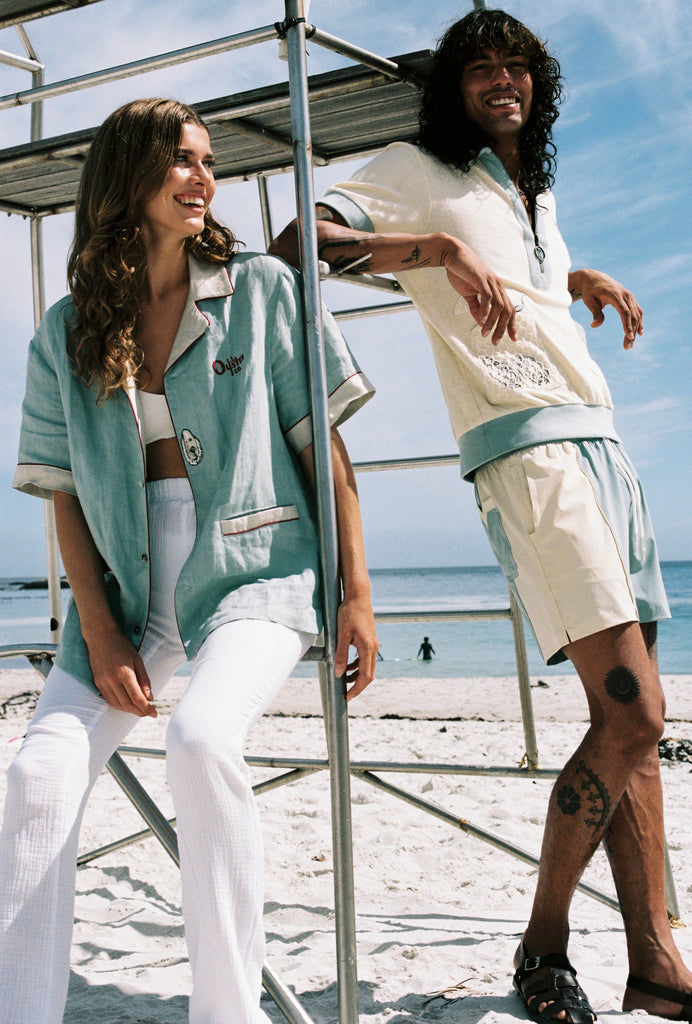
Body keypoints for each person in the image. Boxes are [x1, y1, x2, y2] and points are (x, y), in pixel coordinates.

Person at [270, 9, 692, 1023]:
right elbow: (296, 242)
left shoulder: (533, 189)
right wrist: (429, 249)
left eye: (516, 67)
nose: (501, 81)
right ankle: (540, 944)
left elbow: (524, 277)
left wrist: (573, 277)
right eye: (479, 69)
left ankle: (653, 961)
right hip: (529, 453)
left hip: (601, 445)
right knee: (635, 714)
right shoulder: (416, 167)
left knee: (622, 730)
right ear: (450, 87)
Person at [0, 97, 379, 1024]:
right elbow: (64, 493)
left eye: (205, 159)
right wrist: (97, 626)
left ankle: (226, 1014)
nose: (200, 176)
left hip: (256, 567)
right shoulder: (64, 328)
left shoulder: (264, 289)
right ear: (126, 176)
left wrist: (359, 594)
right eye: (177, 158)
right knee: (37, 775)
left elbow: (323, 452)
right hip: (125, 584)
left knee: (201, 735)